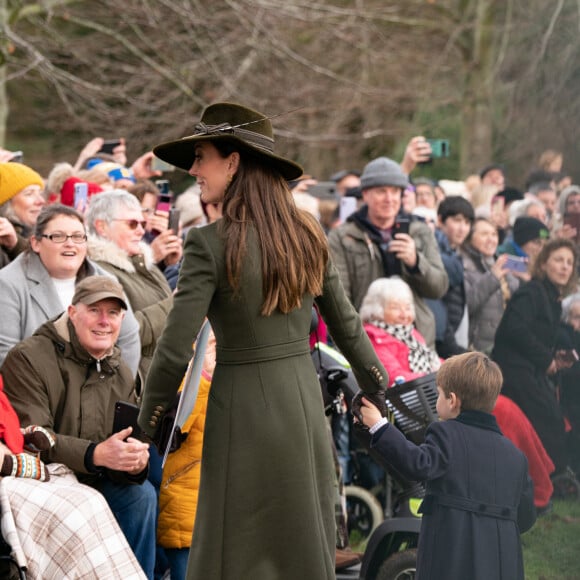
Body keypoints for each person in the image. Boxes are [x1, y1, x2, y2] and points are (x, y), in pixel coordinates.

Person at [137, 102, 389, 580]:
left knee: (238, 551)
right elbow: (346, 323)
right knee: (298, 546)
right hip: (302, 406)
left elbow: (173, 348)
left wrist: (146, 425)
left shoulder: (207, 243)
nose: (193, 169)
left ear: (233, 162)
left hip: (242, 411)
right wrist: (377, 382)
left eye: (201, 156)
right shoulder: (308, 234)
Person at [1, 275, 157, 578]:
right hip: (43, 480)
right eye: (94, 310)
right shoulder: (29, 357)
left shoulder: (121, 369)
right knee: (91, 503)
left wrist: (133, 461)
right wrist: (96, 454)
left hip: (92, 475)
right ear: (72, 313)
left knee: (142, 497)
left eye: (113, 313)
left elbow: (120, 443)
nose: (104, 321)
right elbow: (31, 440)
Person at [355, 352, 536, 580]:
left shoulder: (446, 433)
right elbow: (527, 515)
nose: (437, 400)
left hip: (452, 555)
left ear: (452, 400)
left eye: (438, 394)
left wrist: (379, 426)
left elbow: (417, 464)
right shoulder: (515, 455)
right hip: (501, 562)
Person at [0, 204, 141, 374]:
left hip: (99, 390)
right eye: (58, 236)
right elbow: (6, 356)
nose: (70, 244)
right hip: (35, 393)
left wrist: (113, 391)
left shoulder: (105, 279)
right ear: (36, 243)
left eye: (78, 237)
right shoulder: (8, 283)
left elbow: (129, 340)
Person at [328, 155, 448, 349]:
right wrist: (354, 345)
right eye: (381, 191)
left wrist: (416, 262)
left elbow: (439, 288)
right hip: (368, 343)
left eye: (395, 191)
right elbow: (339, 301)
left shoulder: (419, 231)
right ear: (365, 194)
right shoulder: (342, 237)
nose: (389, 198)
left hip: (416, 342)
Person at [493, 238, 578, 474]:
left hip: (531, 370)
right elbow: (514, 329)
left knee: (556, 416)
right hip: (513, 372)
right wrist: (546, 359)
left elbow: (534, 335)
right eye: (558, 260)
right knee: (548, 418)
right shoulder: (532, 292)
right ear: (543, 264)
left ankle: (552, 476)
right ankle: (546, 478)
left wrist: (554, 356)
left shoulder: (551, 299)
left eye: (569, 262)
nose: (564, 266)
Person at [85, 190, 177, 385]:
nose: (141, 231)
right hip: (137, 384)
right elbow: (122, 333)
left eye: (142, 223)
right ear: (102, 226)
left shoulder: (143, 262)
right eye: (132, 224)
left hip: (164, 377)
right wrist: (175, 304)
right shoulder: (98, 272)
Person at [360, 277, 441, 383]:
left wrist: (449, 370)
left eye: (407, 308)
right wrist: (434, 376)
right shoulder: (373, 337)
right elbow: (393, 377)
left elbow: (434, 362)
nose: (404, 315)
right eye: (396, 308)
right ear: (376, 310)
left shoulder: (411, 334)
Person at [461, 217, 519, 354]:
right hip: (476, 349)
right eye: (484, 234)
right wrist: (493, 277)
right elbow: (467, 305)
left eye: (494, 234)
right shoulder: (463, 264)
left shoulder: (500, 263)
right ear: (470, 237)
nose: (491, 239)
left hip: (503, 348)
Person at [428, 196, 474, 358]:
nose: (463, 228)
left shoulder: (454, 254)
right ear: (440, 220)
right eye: (457, 221)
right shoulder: (433, 250)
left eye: (467, 223)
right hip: (439, 339)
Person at [0, 162, 46, 267]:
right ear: (6, 204)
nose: (41, 201)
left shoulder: (43, 233)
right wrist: (15, 246)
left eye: (40, 193)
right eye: (29, 194)